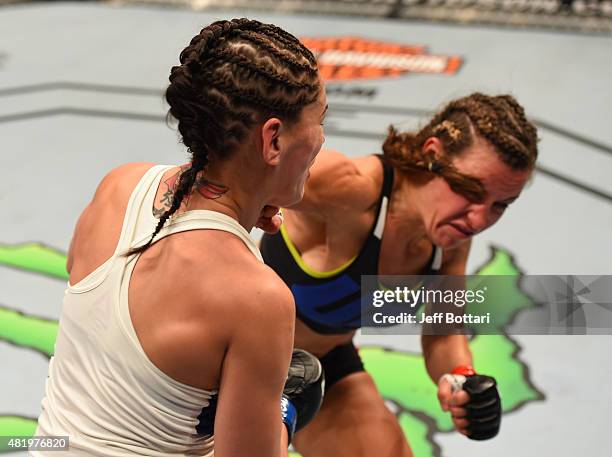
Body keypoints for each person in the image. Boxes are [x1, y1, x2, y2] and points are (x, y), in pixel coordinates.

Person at [32, 18, 328, 457]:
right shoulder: (257, 298)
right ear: (273, 140)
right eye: (320, 119)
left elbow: (121, 319)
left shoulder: (120, 185)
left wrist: (240, 214)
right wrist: (286, 411)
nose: (322, 137)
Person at [260, 92, 538, 456]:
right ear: (433, 154)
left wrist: (461, 379)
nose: (479, 220)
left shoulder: (451, 240)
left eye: (499, 206)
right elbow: (228, 180)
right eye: (471, 191)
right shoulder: (350, 190)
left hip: (315, 368)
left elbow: (442, 333)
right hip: (223, 353)